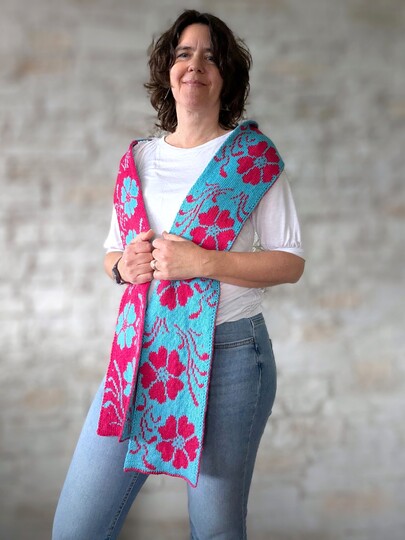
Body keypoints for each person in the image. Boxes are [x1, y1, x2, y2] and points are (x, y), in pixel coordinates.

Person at [52, 9, 304, 540]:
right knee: (76, 527)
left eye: (211, 57)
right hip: (140, 352)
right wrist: (122, 268)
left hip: (231, 356)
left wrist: (203, 262)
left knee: (214, 531)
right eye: (184, 53)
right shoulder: (138, 159)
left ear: (227, 76)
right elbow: (113, 253)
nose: (196, 65)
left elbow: (289, 261)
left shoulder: (253, 158)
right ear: (167, 69)